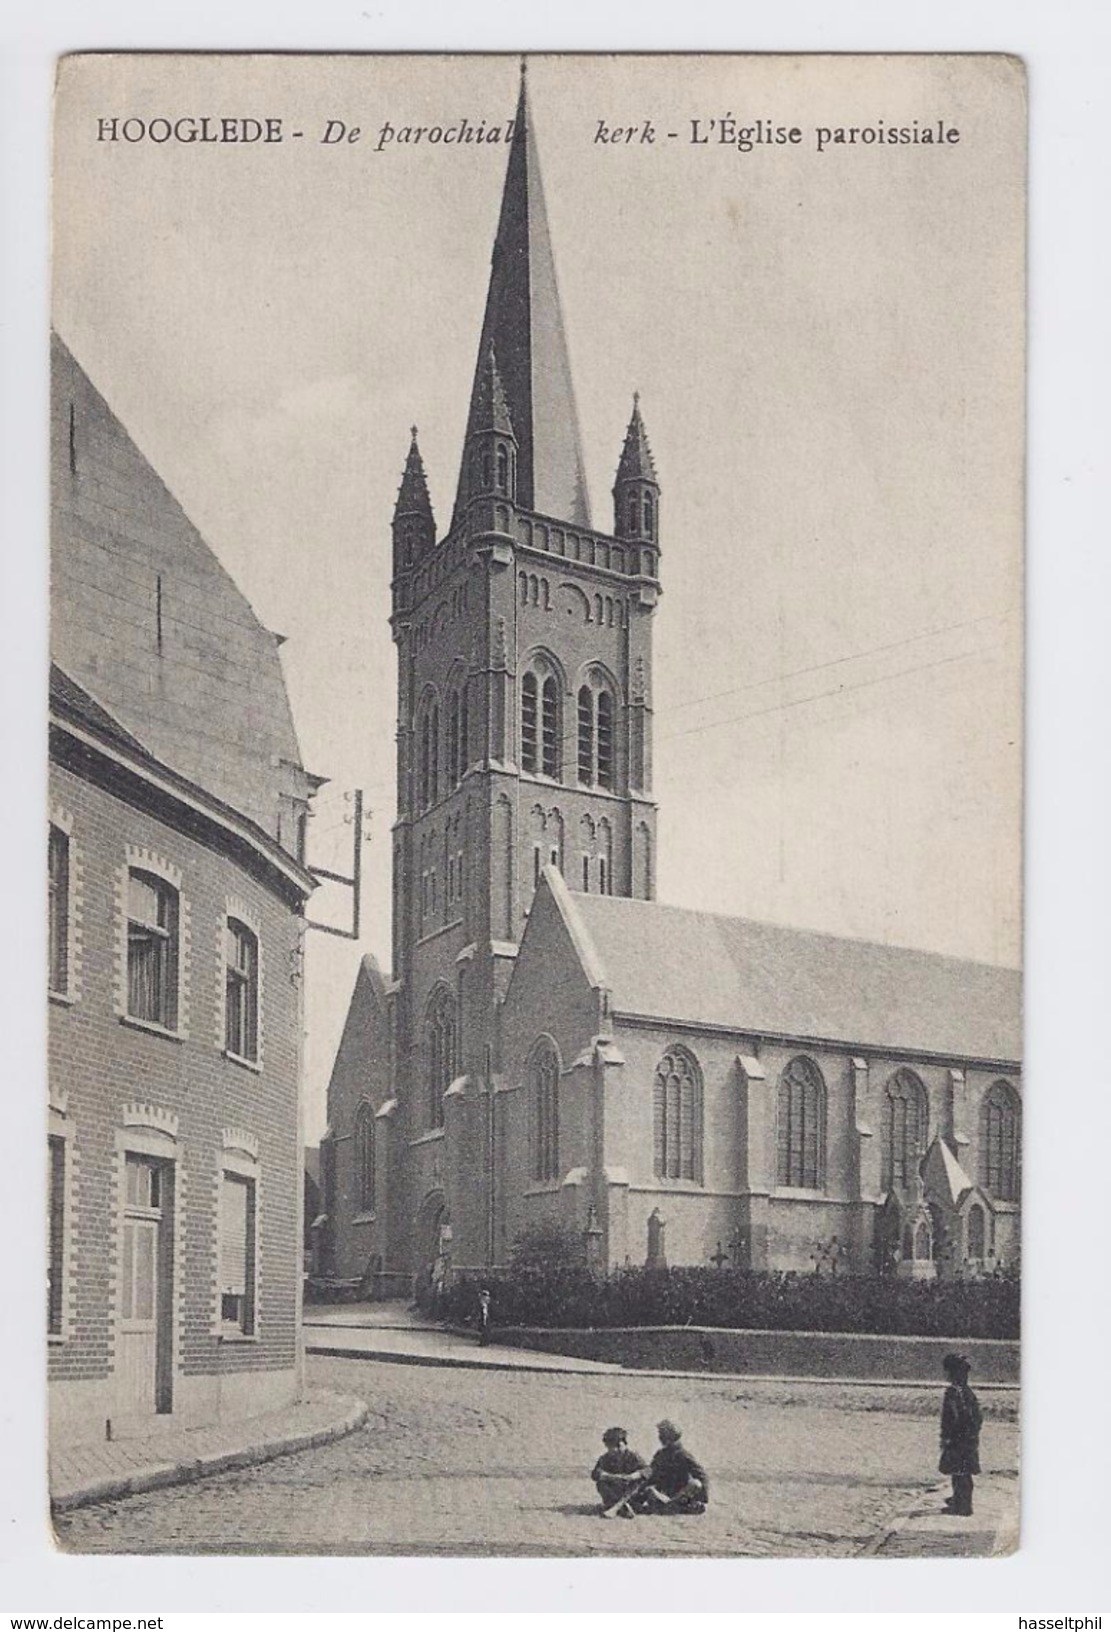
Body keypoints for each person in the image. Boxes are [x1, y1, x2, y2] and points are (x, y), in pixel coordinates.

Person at [939, 1353, 983, 1516]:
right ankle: (959, 1500)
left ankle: (962, 1505)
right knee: (963, 1472)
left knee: (959, 1473)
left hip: (958, 1438)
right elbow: (978, 1417)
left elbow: (951, 1417)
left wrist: (947, 1437)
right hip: (968, 1438)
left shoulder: (952, 1392)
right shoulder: (967, 1392)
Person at [642, 1419, 709, 1514]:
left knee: (695, 1484)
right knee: (649, 1489)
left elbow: (701, 1475)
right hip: (663, 1492)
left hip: (681, 1493)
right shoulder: (660, 1455)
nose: (660, 1437)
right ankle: (671, 1506)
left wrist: (702, 1498)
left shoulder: (683, 1455)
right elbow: (651, 1474)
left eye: (662, 1434)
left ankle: (671, 1505)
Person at [591, 1427, 649, 1518]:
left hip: (631, 1491)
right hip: (614, 1490)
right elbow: (595, 1474)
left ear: (622, 1444)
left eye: (613, 1446)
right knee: (601, 1483)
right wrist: (611, 1477)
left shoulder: (633, 1456)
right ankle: (622, 1507)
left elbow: (647, 1471)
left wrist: (633, 1476)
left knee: (640, 1482)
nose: (612, 1450)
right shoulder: (605, 1458)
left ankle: (618, 1507)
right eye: (609, 1447)